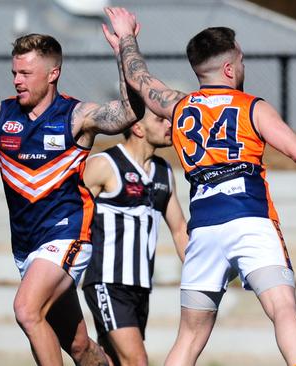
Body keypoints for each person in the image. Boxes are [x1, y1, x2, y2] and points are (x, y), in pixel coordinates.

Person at [103, 7, 296, 366]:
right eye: (240, 60)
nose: (242, 67)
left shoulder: (177, 106)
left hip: (205, 230)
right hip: (250, 220)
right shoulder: (252, 108)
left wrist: (126, 38)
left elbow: (138, 77)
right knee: (283, 307)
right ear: (229, 68)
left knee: (190, 336)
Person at [0, 30, 143, 366]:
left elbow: (130, 112)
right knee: (78, 346)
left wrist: (124, 49)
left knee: (27, 310)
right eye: (14, 73)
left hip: (68, 234)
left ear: (52, 74)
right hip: (27, 247)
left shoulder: (77, 117)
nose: (17, 80)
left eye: (26, 74)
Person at [81, 107, 188, 366]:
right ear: (138, 128)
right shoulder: (105, 165)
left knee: (110, 360)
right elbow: (70, 214)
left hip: (140, 287)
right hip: (107, 281)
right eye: (160, 119)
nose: (169, 125)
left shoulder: (164, 172)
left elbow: (179, 229)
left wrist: (201, 271)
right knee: (137, 360)